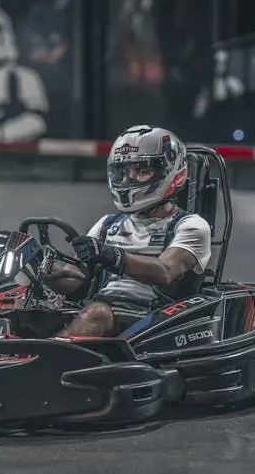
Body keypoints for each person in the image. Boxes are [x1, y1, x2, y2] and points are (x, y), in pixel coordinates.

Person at [48, 125, 212, 337]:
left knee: (96, 314)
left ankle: (45, 364)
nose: (129, 179)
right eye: (125, 171)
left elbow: (164, 271)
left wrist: (110, 254)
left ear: (170, 173)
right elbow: (75, 279)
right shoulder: (108, 223)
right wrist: (43, 268)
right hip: (103, 310)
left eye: (142, 171)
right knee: (27, 306)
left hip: (155, 320)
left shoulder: (191, 225)